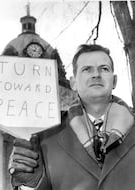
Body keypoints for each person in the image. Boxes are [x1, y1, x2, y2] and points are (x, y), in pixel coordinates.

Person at [9, 44, 135, 190]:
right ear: (73, 83)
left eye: (104, 69)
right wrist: (28, 185)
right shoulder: (46, 136)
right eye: (87, 69)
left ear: (114, 81)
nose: (96, 74)